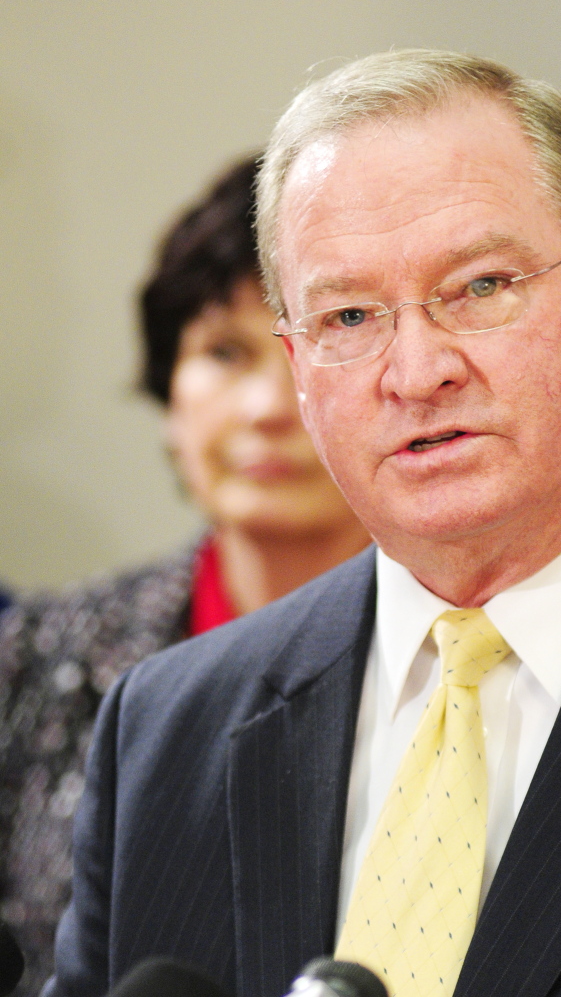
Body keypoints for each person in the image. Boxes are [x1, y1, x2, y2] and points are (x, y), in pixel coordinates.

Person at [47, 50, 561, 997]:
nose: (416, 369)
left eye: (480, 288)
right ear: (300, 368)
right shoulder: (168, 726)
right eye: (349, 316)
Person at [0, 157, 369, 997]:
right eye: (224, 351)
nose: (267, 407)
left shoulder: (462, 653)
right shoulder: (34, 654)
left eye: (312, 347)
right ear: (168, 392)